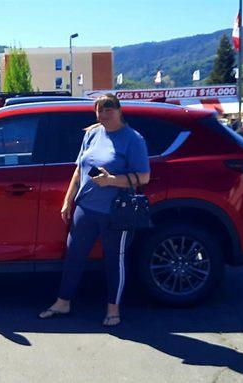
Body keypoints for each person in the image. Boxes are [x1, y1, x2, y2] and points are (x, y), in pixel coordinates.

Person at [39, 93, 151, 327]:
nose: (104, 114)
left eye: (109, 108)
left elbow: (144, 176)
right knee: (74, 256)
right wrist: (68, 200)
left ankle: (113, 308)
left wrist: (112, 181)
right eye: (100, 110)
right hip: (85, 208)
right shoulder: (92, 134)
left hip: (116, 211)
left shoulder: (133, 139)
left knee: (114, 260)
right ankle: (63, 302)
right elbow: (80, 170)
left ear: (120, 111)